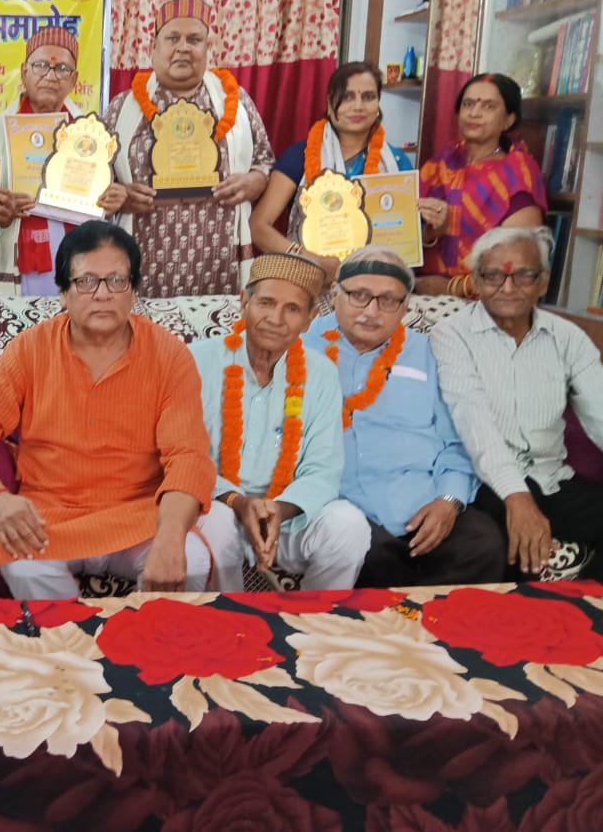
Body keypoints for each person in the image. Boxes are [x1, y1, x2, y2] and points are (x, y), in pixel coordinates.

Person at [0, 222, 218, 596]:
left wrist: (171, 538)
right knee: (22, 564)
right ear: (63, 294)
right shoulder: (30, 349)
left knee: (193, 560)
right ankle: (69, 636)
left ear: (134, 292)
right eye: (86, 281)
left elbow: (187, 455)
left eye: (116, 281)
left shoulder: (169, 355)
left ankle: (147, 634)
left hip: (138, 514)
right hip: (51, 515)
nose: (102, 294)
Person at [302, 246, 505, 587]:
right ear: (335, 294)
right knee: (365, 552)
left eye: (388, 300)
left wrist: (449, 502)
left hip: (421, 502)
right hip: (342, 506)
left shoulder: (432, 355)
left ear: (406, 306)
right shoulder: (298, 349)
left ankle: (439, 625)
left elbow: (458, 442)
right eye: (359, 295)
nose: (371, 311)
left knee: (483, 544)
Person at [189, 253, 370, 591]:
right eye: (266, 303)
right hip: (218, 507)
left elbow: (323, 468)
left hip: (286, 519)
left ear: (310, 319)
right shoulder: (196, 361)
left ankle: (313, 618)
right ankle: (225, 617)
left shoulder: (321, 373)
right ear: (244, 302)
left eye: (292, 309)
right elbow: (184, 459)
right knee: (215, 522)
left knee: (349, 525)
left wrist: (278, 510)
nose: (276, 319)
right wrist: (238, 503)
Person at [431, 226, 603, 580]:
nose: (507, 288)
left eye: (524, 275)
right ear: (476, 281)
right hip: (484, 482)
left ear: (543, 281)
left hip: (551, 477)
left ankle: (583, 611)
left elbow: (599, 411)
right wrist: (516, 495)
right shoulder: (451, 334)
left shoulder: (567, 337)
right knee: (502, 542)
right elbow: (473, 421)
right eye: (493, 275)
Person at [103, 0, 275, 296]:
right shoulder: (122, 108)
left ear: (207, 49)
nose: (183, 47)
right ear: (153, 47)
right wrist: (118, 196)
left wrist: (254, 182)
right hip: (143, 251)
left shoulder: (235, 101)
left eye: (194, 40)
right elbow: (93, 179)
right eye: (173, 38)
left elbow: (264, 161)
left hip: (220, 256)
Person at [251, 62, 414, 297]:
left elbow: (406, 240)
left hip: (375, 289)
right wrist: (306, 257)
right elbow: (258, 226)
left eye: (368, 97)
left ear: (378, 104)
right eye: (347, 97)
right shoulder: (301, 156)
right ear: (329, 104)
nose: (358, 106)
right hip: (306, 282)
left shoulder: (397, 163)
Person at [0, 27, 125, 296]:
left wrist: (112, 205)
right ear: (24, 72)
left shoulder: (93, 135)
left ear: (74, 80)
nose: (50, 76)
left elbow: (107, 210)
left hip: (79, 263)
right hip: (19, 266)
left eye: (62, 68)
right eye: (41, 66)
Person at [416, 73, 546, 298]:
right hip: (421, 292)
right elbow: (404, 236)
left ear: (508, 120)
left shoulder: (517, 173)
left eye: (488, 106)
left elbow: (520, 264)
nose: (474, 113)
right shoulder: (439, 165)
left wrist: (452, 288)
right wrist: (429, 234)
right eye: (468, 104)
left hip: (486, 302)